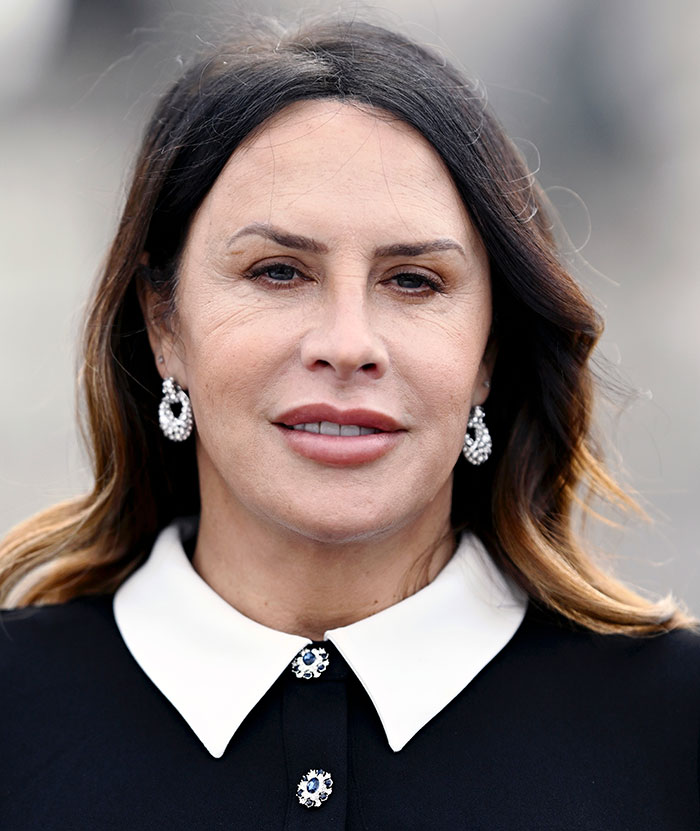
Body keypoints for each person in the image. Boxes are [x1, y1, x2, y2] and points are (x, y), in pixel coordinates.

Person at [1, 16, 698, 830]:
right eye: (278, 271)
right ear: (164, 323)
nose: (347, 345)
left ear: (489, 351)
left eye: (413, 281)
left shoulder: (674, 730)